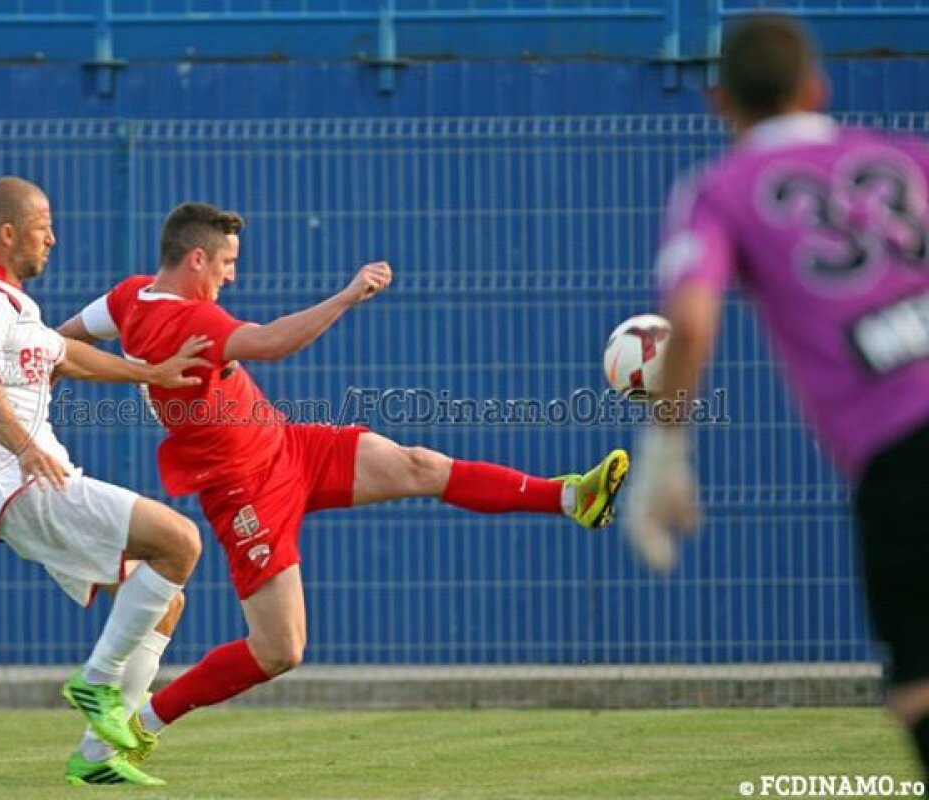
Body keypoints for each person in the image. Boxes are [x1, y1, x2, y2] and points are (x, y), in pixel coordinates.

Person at [57, 201, 630, 762]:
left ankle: (571, 496)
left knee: (419, 465)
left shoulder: (130, 297)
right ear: (198, 260)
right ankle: (147, 718)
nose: (233, 273)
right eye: (228, 262)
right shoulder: (189, 318)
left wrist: (43, 372)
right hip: (244, 492)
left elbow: (63, 340)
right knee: (281, 649)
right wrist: (348, 294)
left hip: (289, 447)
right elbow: (276, 343)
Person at [622, 15, 929, 783]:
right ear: (817, 86)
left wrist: (663, 451)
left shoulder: (719, 191)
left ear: (717, 99)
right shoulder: (908, 157)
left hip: (904, 457)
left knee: (921, 684)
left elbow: (690, 322)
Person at [0, 176, 212, 787]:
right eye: (42, 225)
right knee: (181, 541)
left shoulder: (17, 306)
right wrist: (27, 449)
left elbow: (70, 356)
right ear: (8, 232)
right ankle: (96, 683)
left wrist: (149, 370)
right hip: (26, 487)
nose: (53, 238)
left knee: (164, 601)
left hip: (38, 483)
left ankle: (94, 757)